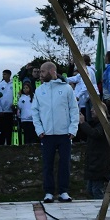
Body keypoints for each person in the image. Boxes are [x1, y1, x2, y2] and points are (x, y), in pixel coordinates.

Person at [32, 61, 78, 203]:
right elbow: (35, 112)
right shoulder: (39, 90)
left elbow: (74, 110)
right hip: (47, 135)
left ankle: (63, 191)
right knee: (47, 164)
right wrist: (39, 130)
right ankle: (48, 192)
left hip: (64, 134)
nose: (40, 74)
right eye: (40, 72)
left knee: (64, 164)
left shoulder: (66, 89)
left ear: (52, 72)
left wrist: (72, 129)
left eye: (43, 72)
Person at [79, 108, 110, 199]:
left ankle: (104, 209)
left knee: (96, 190)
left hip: (99, 163)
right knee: (90, 190)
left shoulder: (106, 124)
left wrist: (83, 123)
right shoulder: (96, 124)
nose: (91, 110)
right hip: (94, 162)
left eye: (94, 109)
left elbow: (95, 134)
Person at [0, 69, 15, 145]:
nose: (3, 76)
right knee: (0, 129)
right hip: (1, 112)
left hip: (10, 111)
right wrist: (0, 109)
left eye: (5, 74)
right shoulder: (0, 85)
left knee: (8, 130)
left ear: (9, 75)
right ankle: (0, 145)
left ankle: (9, 144)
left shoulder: (13, 84)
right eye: (3, 74)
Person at [17, 79, 37, 144]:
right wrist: (18, 96)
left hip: (32, 119)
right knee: (26, 135)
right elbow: (19, 106)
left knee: (32, 134)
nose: (25, 89)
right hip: (24, 119)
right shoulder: (21, 97)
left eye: (27, 88)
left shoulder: (34, 96)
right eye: (24, 88)